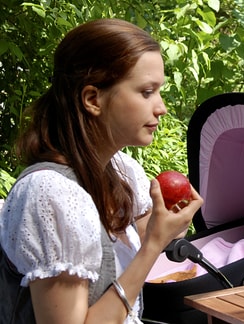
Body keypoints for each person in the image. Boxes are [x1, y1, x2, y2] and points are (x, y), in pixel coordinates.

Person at [0, 18, 203, 323]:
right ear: (92, 99)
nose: (161, 107)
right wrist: (152, 248)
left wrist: (172, 223)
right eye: (147, 92)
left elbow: (148, 232)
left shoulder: (118, 169)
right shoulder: (49, 195)